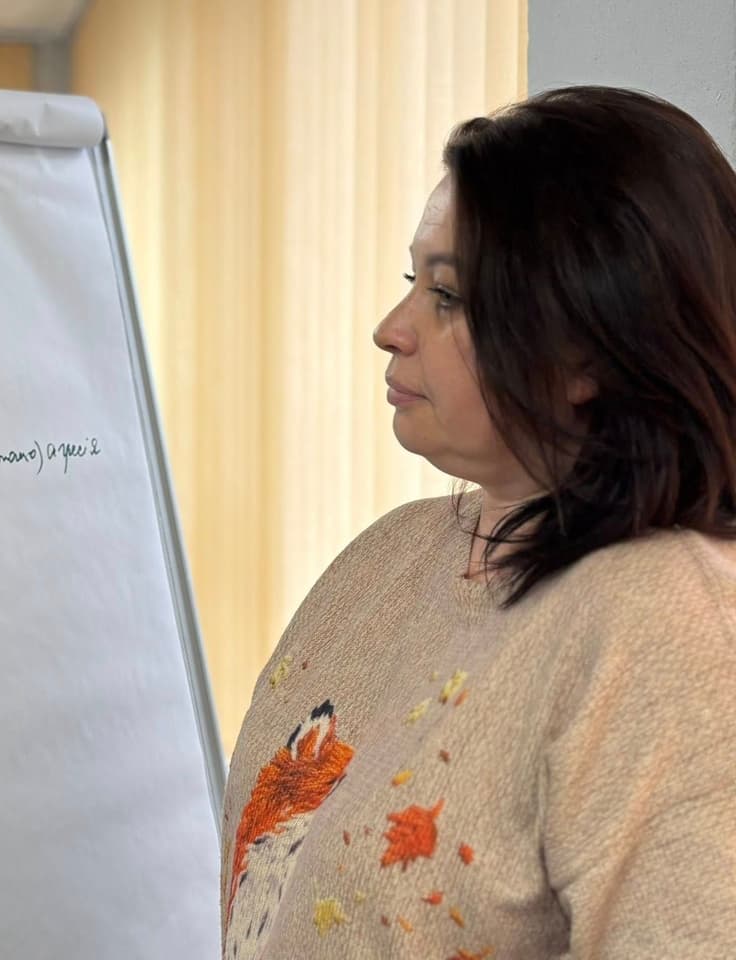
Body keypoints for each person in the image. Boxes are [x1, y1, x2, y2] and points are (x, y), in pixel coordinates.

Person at [220, 85, 736, 959]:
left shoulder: (666, 624)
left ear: (591, 349)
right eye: (410, 283)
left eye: (449, 297)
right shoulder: (387, 556)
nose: (391, 330)